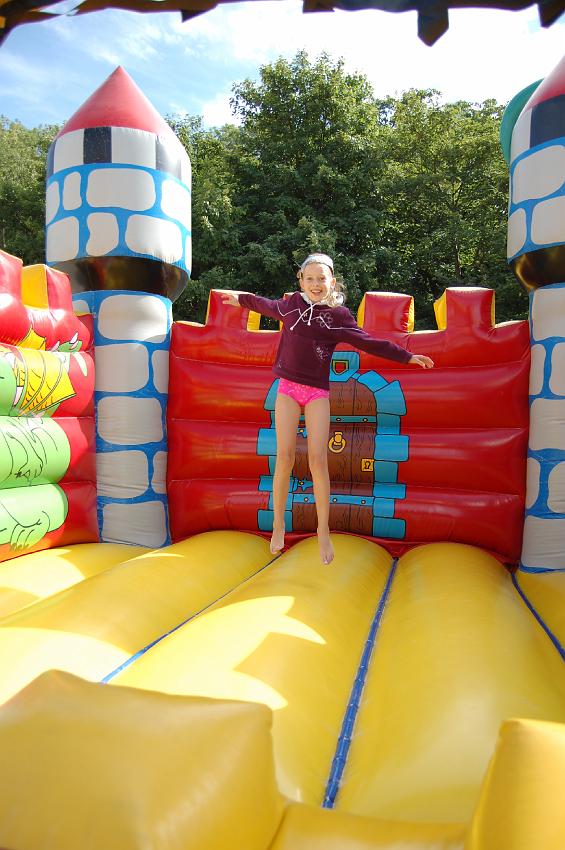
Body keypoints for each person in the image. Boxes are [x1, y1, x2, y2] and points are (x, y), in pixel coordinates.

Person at [221, 253, 434, 565]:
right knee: (285, 458)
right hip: (288, 389)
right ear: (301, 281)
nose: (316, 284)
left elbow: (368, 342)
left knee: (318, 461)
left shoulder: (338, 316)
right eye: (310, 278)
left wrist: (407, 356)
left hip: (316, 392)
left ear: (332, 282)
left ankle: (323, 531)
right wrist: (239, 299)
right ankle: (278, 524)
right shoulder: (291, 305)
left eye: (321, 279)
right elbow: (262, 304)